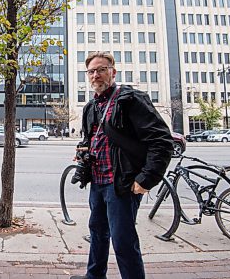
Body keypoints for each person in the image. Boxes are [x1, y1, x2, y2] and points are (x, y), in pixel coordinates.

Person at [70, 51, 173, 279]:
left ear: (113, 72)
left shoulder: (130, 100)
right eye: (91, 71)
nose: (96, 75)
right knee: (97, 231)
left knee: (123, 241)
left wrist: (146, 179)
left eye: (101, 69)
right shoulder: (90, 107)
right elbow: (91, 138)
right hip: (97, 181)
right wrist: (83, 151)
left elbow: (162, 141)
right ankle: (94, 275)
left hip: (122, 183)